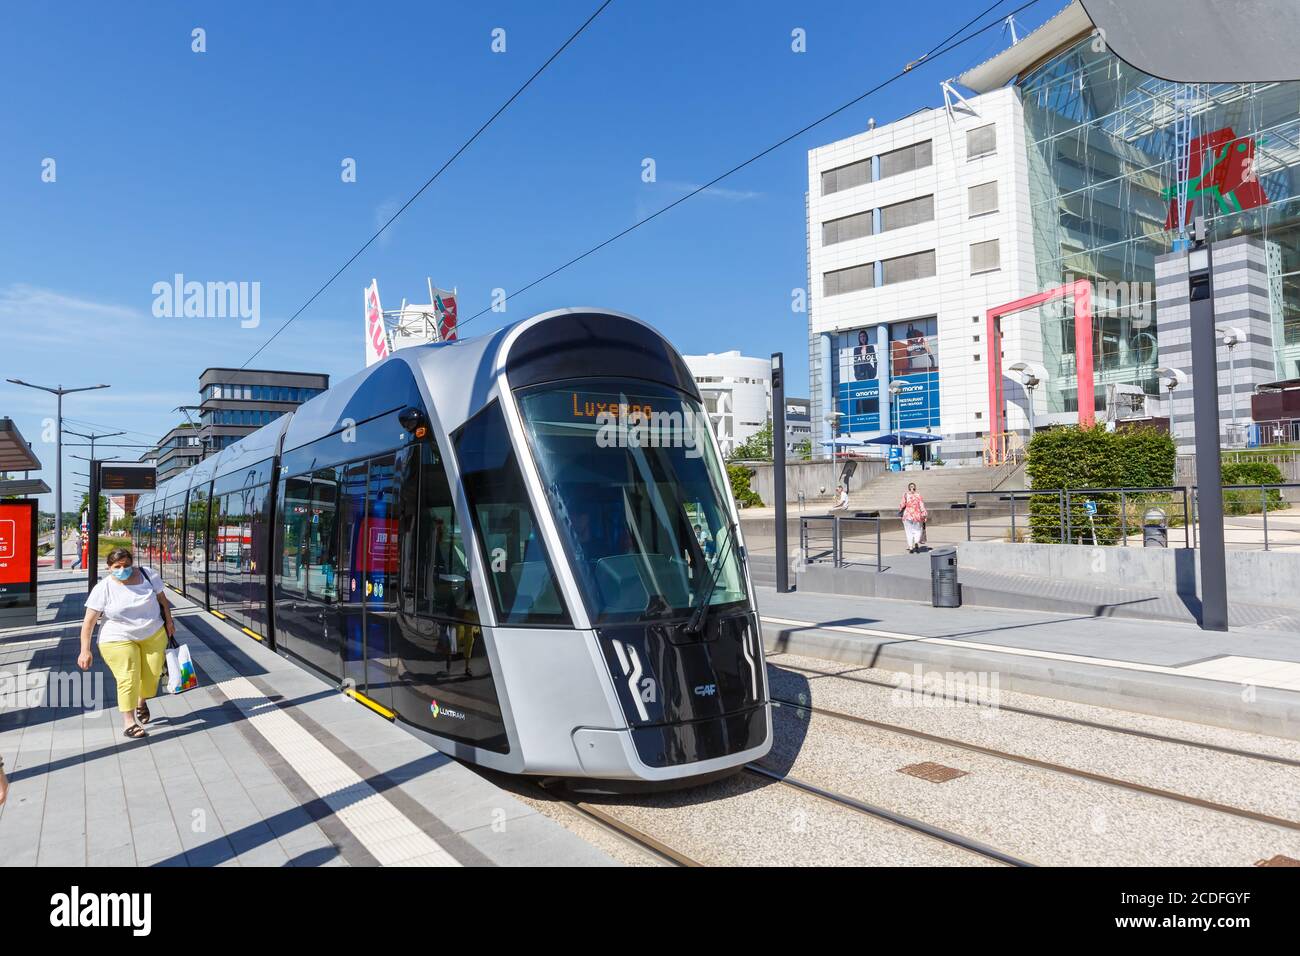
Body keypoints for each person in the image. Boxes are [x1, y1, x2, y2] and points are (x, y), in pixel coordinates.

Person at [78, 547, 175, 739]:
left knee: (152, 676)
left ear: (132, 564)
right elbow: (88, 622)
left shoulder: (148, 575)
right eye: (117, 566)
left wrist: (170, 621)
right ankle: (129, 722)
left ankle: (141, 701)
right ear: (109, 567)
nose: (122, 569)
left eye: (126, 565)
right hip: (117, 638)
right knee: (128, 677)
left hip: (153, 633)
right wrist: (84, 650)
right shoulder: (103, 588)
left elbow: (163, 600)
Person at [900, 482, 928, 553]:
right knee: (917, 530)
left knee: (908, 531)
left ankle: (910, 547)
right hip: (917, 515)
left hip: (907, 515)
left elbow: (902, 505)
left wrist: (901, 510)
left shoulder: (905, 495)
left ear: (908, 488)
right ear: (915, 488)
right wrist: (924, 514)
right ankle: (916, 542)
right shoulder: (918, 495)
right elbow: (922, 505)